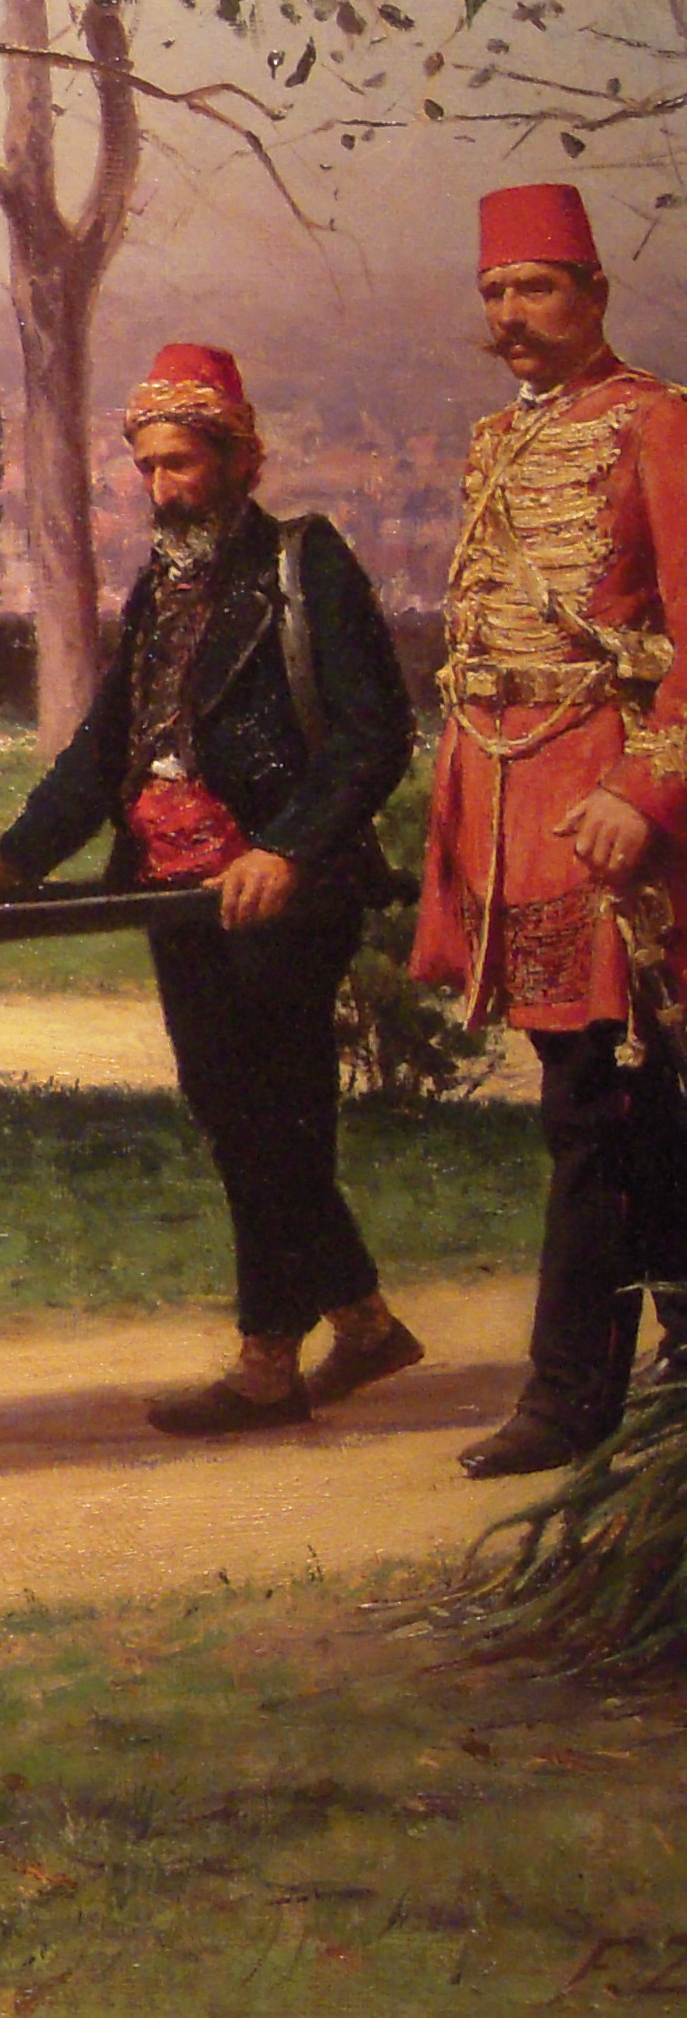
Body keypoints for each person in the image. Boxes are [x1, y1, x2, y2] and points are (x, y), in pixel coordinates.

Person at [0, 342, 423, 1435]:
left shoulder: (307, 564)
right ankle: (365, 1324)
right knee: (235, 1116)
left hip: (280, 894)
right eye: (148, 466)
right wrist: (14, 858)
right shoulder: (163, 586)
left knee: (271, 1123)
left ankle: (267, 1367)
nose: (162, 488)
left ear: (242, 460)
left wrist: (286, 849)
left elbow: (375, 735)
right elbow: (106, 748)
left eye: (182, 464)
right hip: (175, 895)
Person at [413, 183, 687, 1478]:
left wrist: (644, 791)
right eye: (494, 292)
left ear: (593, 295)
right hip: (510, 800)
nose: (511, 314)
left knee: (605, 1101)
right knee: (598, 1099)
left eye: (534, 288)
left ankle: (573, 1393)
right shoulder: (496, 440)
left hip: (609, 808)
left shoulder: (659, 422)